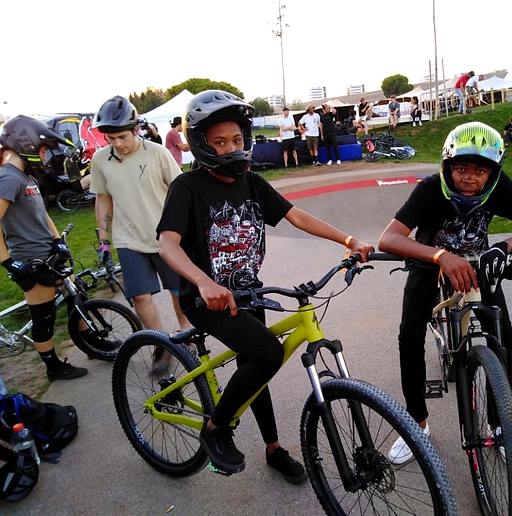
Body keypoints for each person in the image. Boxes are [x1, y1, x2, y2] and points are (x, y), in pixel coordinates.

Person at [156, 90, 374, 481]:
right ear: (201, 143)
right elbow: (167, 244)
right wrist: (204, 283)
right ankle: (215, 429)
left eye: (237, 139)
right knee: (267, 355)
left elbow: (296, 216)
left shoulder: (252, 183)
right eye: (219, 141)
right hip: (207, 300)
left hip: (247, 292)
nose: (231, 148)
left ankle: (273, 450)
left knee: (256, 366)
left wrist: (348, 240)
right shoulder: (187, 188)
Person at [377, 121, 512, 464]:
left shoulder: (500, 187)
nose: (470, 178)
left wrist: (504, 247)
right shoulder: (429, 189)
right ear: (447, 167)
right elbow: (389, 238)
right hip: (429, 264)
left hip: (477, 264)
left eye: (480, 170)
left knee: (503, 336)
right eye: (461, 168)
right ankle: (416, 424)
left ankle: (500, 427)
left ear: (493, 172)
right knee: (409, 336)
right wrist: (441, 255)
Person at [90, 96, 190, 370]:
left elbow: (179, 189)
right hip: (128, 238)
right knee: (140, 297)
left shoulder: (157, 153)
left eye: (122, 136)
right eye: (110, 139)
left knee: (177, 290)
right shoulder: (101, 160)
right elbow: (103, 199)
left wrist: (184, 228)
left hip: (165, 236)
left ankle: (186, 330)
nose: (117, 144)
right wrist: (104, 240)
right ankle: (161, 345)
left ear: (135, 129)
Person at [0, 115, 88, 381]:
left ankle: (92, 342)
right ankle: (53, 368)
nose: (45, 156)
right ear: (25, 144)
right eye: (42, 150)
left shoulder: (26, 176)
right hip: (30, 259)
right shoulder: (8, 178)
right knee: (44, 317)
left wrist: (57, 240)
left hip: (48, 252)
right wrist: (8, 263)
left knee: (77, 293)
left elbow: (43, 214)